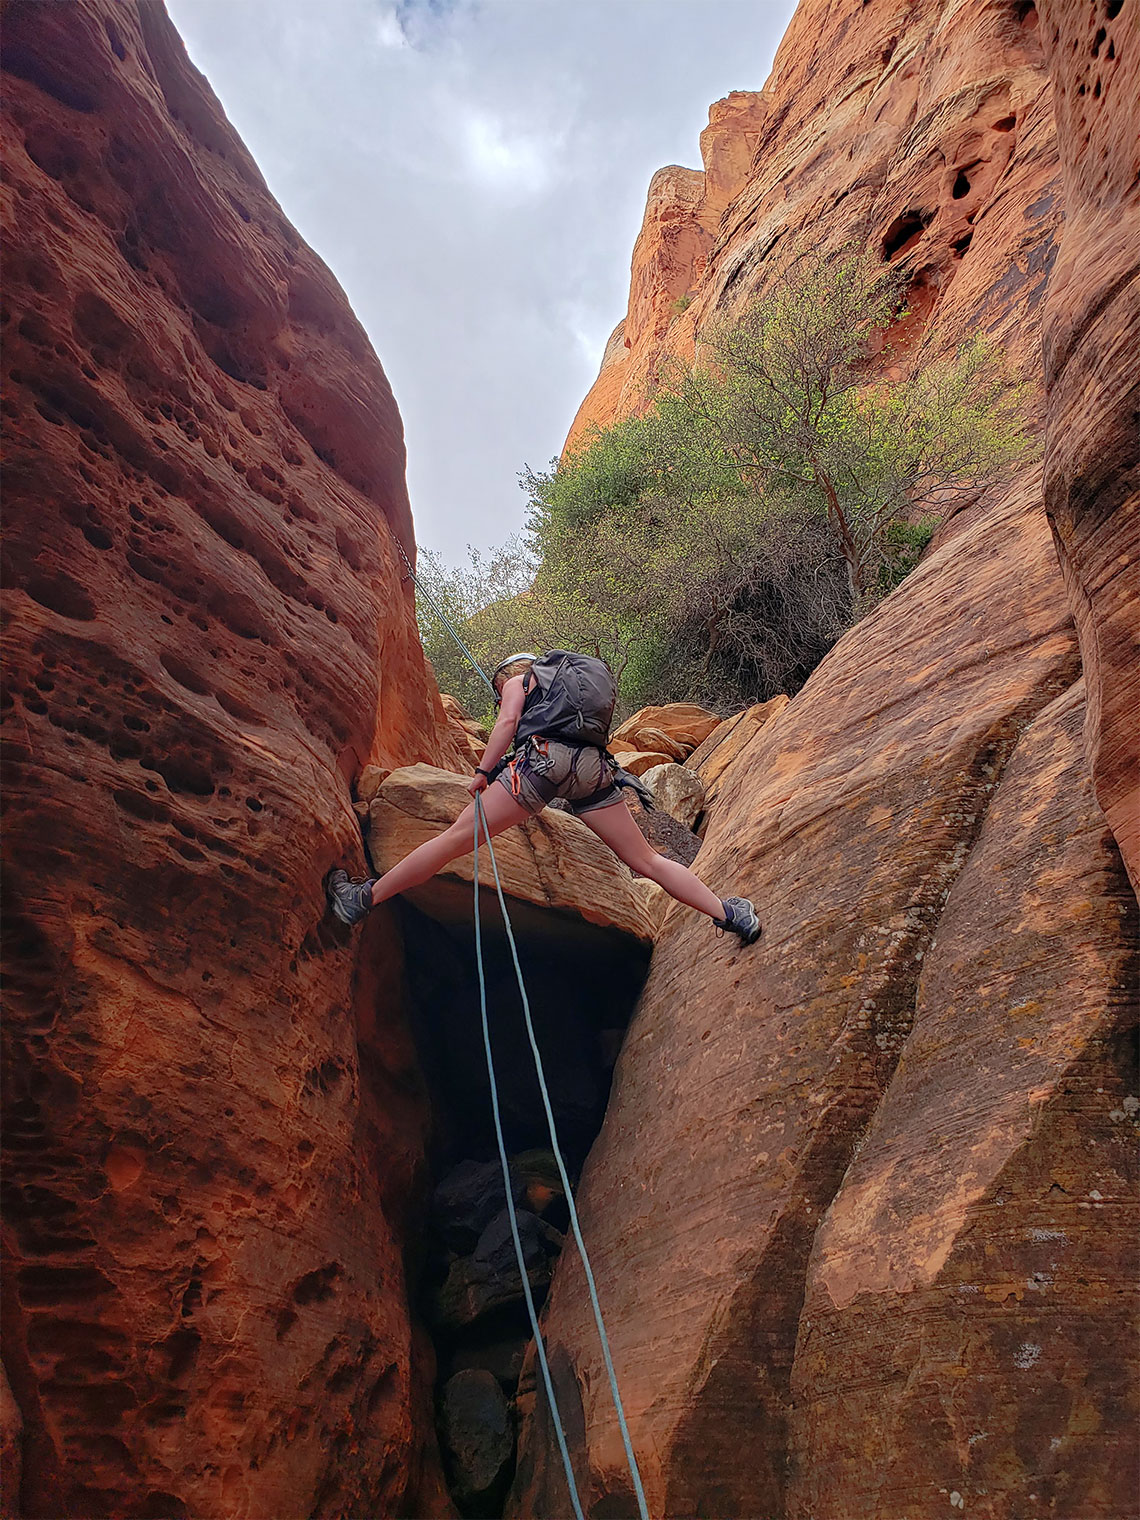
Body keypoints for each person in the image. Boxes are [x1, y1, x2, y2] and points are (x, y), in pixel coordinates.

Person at [326, 652, 761, 943]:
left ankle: (360, 900)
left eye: (498, 689)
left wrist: (482, 773)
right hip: (592, 769)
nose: (501, 695)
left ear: (507, 676)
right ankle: (729, 913)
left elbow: (508, 722)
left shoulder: (520, 682)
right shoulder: (569, 683)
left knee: (454, 840)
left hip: (540, 765)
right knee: (646, 860)